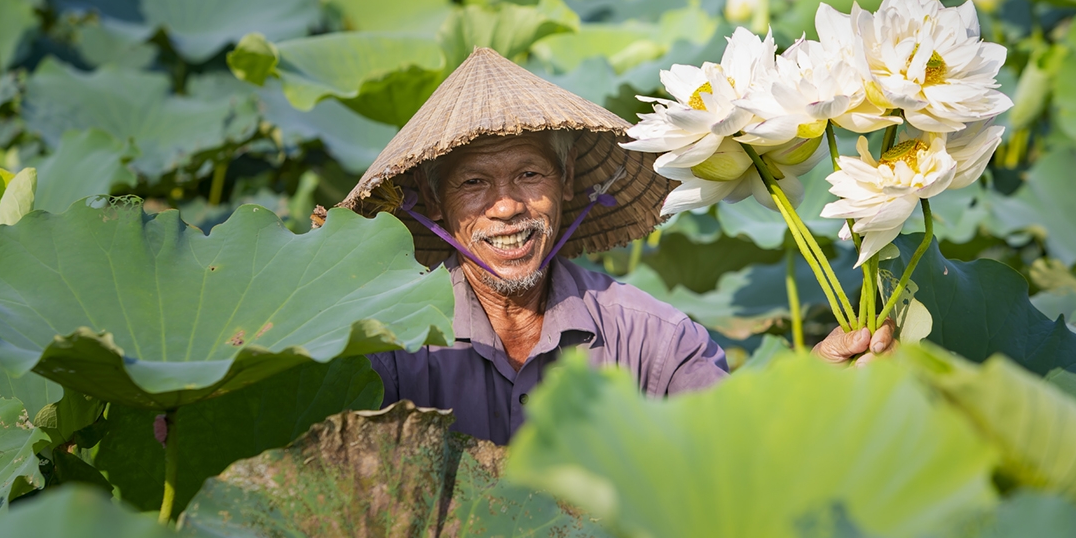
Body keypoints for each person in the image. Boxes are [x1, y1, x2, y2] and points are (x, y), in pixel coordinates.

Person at [322, 48, 894, 444]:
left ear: (567, 183)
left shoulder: (657, 339)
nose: (507, 207)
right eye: (474, 183)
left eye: (529, 175)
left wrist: (817, 386)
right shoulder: (386, 345)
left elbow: (738, 442)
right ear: (433, 202)